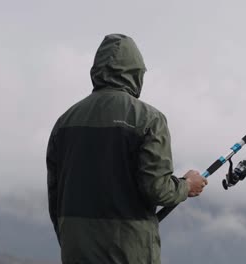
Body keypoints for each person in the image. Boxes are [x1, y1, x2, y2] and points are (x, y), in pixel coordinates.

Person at [46, 34, 208, 264]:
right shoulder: (149, 119)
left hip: (76, 249)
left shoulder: (64, 122)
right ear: (137, 73)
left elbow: (55, 195)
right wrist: (186, 185)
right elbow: (157, 190)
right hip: (129, 252)